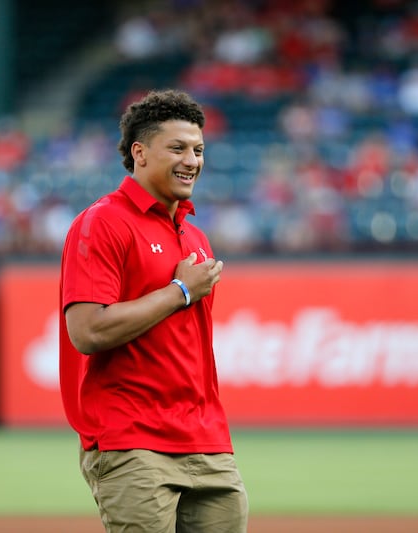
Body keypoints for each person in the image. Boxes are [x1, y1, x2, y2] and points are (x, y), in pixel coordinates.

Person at [59, 89, 248, 533]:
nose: (192, 160)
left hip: (207, 440)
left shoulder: (196, 237)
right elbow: (86, 331)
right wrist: (180, 290)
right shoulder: (102, 222)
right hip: (132, 439)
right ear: (139, 153)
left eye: (199, 150)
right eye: (178, 148)